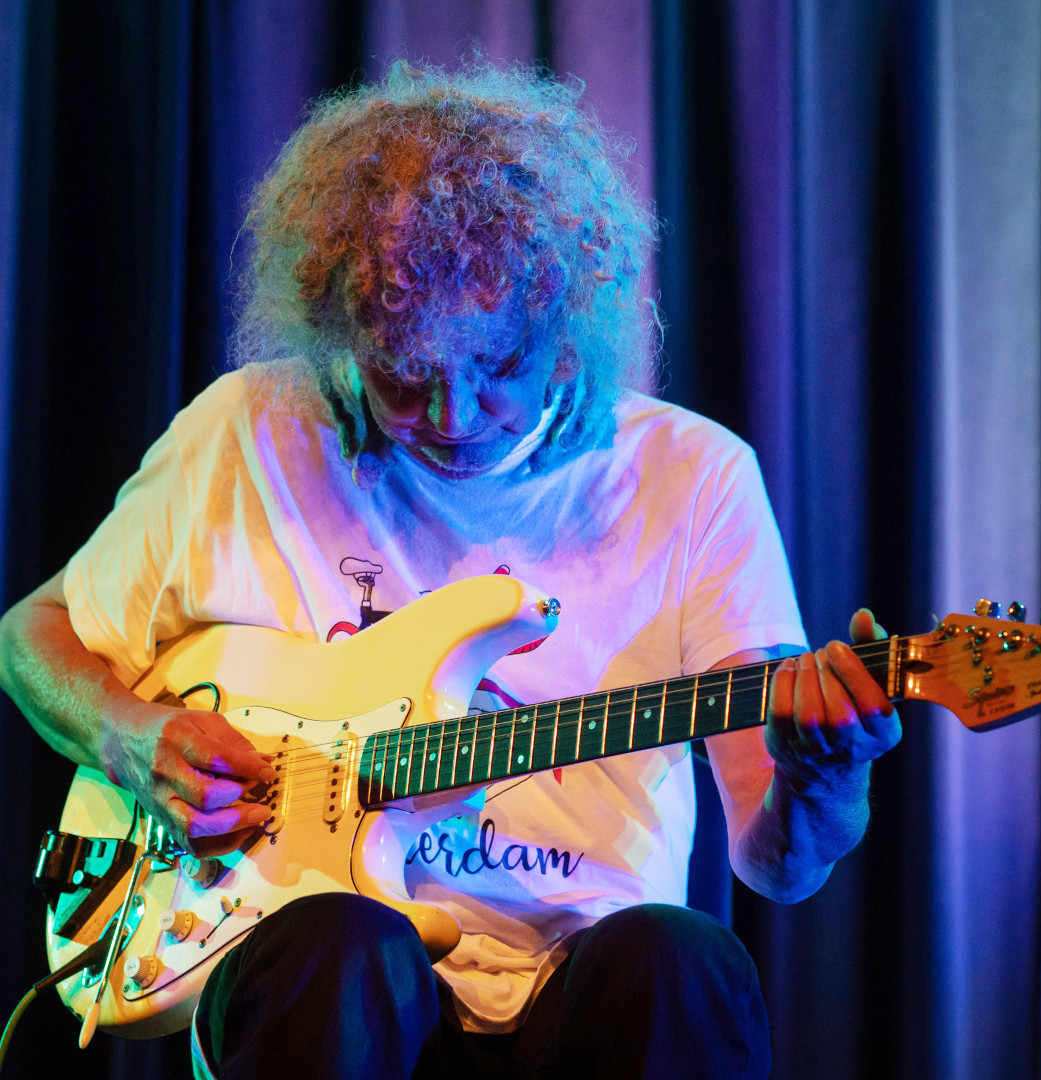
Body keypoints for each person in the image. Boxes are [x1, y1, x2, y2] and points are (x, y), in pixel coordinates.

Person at [0, 60, 900, 1079]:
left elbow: (774, 864)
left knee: (683, 962)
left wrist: (830, 778)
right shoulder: (249, 433)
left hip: (588, 982)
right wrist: (134, 738)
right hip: (320, 977)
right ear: (337, 335)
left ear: (569, 323)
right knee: (336, 951)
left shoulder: (693, 479)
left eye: (500, 366)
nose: (456, 418)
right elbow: (33, 636)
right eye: (404, 375)